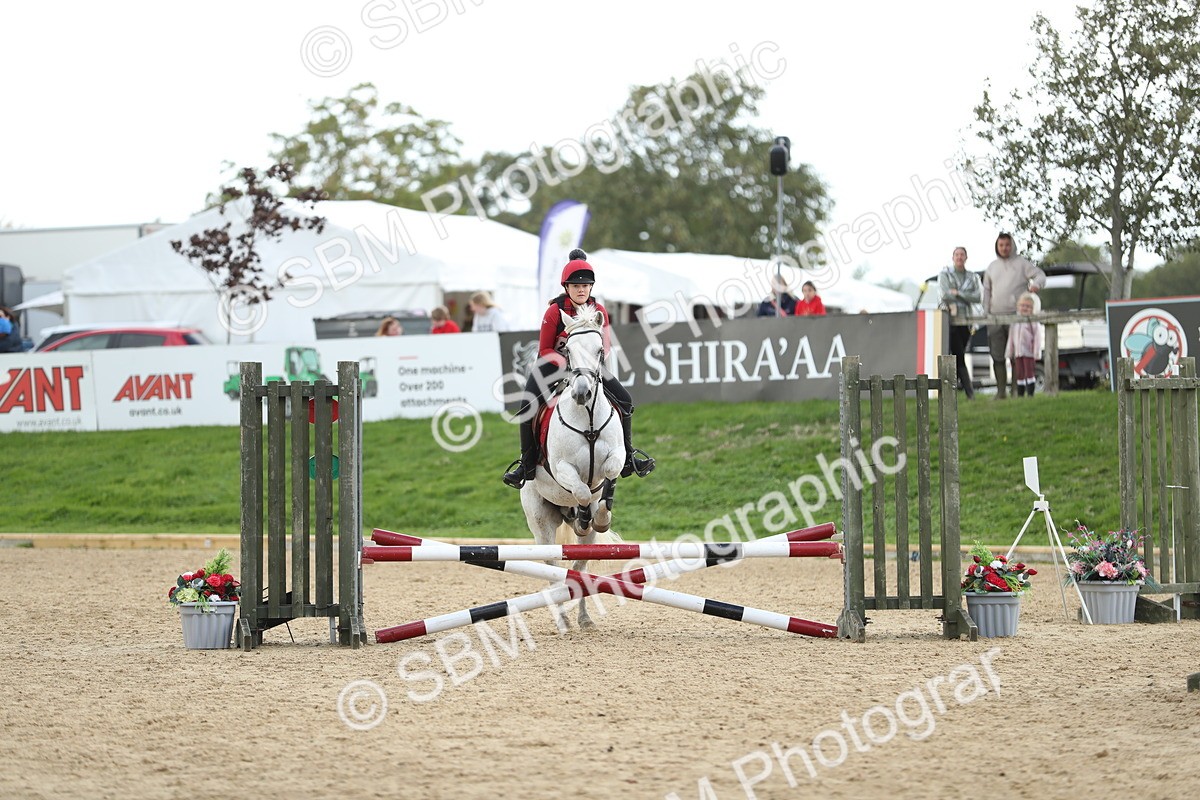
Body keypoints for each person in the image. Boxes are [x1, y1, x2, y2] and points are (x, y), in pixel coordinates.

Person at [502, 249, 655, 489]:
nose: (581, 290)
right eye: (575, 286)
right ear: (566, 287)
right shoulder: (554, 311)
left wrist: (587, 363)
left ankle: (628, 457)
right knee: (527, 406)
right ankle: (526, 464)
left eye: (585, 286)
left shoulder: (599, 311)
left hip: (589, 367)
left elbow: (606, 346)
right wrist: (569, 364)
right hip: (554, 365)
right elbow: (545, 349)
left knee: (625, 400)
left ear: (591, 287)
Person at [982, 233, 1045, 399]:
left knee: (1017, 355)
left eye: (1007, 245)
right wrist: (985, 313)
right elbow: (986, 291)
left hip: (1017, 318)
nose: (1004, 248)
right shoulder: (991, 267)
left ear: (1012, 246)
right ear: (997, 246)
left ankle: (1017, 391)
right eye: (1001, 245)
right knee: (997, 356)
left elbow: (1040, 275)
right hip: (995, 317)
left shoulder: (1022, 263)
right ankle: (1001, 392)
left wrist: (1036, 285)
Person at [938, 246, 982, 399]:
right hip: (950, 319)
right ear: (953, 257)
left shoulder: (972, 276)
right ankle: (970, 393)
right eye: (956, 254)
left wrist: (958, 293)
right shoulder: (945, 274)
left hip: (967, 320)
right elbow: (944, 295)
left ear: (966, 257)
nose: (959, 257)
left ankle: (954, 391)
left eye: (962, 254)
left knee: (958, 354)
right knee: (959, 355)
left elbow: (978, 297)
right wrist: (965, 296)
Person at [1006, 293, 1043, 397]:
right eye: (1022, 305)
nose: (1025, 308)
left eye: (1028, 306)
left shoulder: (1033, 321)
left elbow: (1037, 337)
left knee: (1029, 372)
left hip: (1029, 352)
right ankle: (1020, 394)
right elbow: (1011, 337)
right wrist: (1010, 351)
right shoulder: (1015, 321)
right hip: (1018, 352)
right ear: (1018, 306)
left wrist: (1036, 352)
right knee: (1019, 373)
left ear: (1032, 308)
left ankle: (1030, 393)